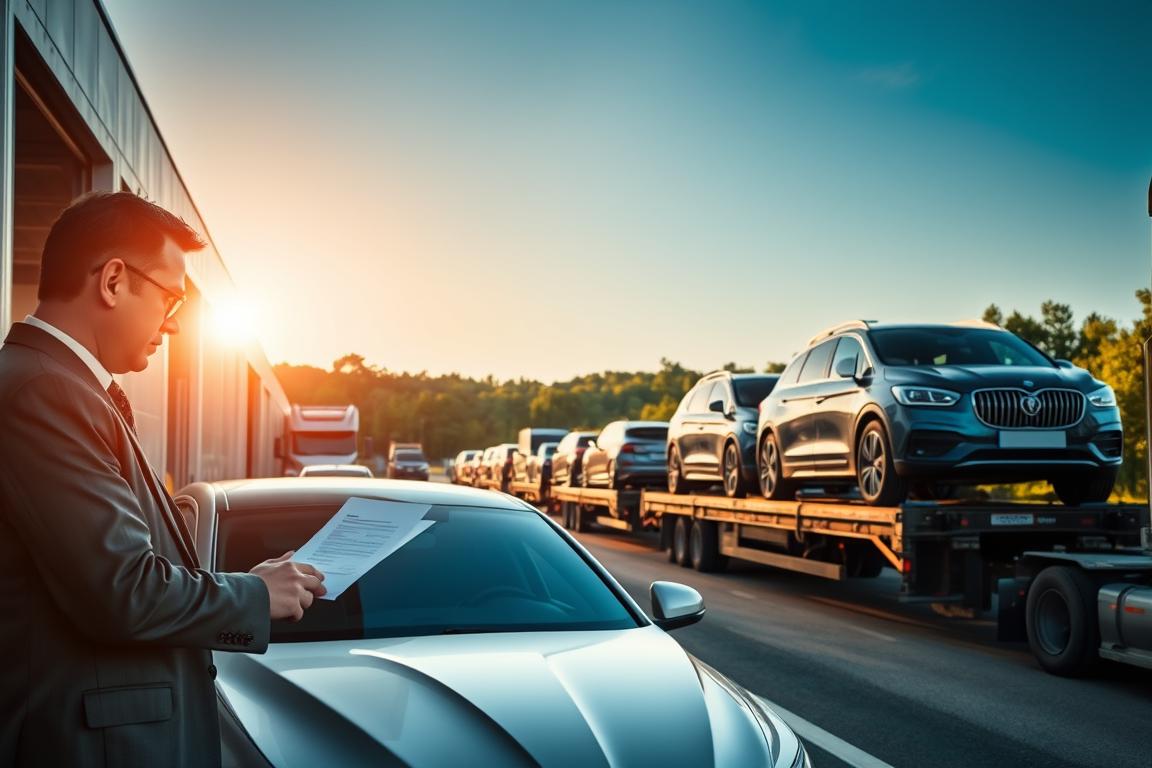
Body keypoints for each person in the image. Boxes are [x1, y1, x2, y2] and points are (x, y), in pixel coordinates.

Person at [0, 192, 327, 767]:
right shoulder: (45, 392)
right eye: (171, 298)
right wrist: (255, 593)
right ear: (114, 281)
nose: (174, 325)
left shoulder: (57, 386)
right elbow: (122, 591)